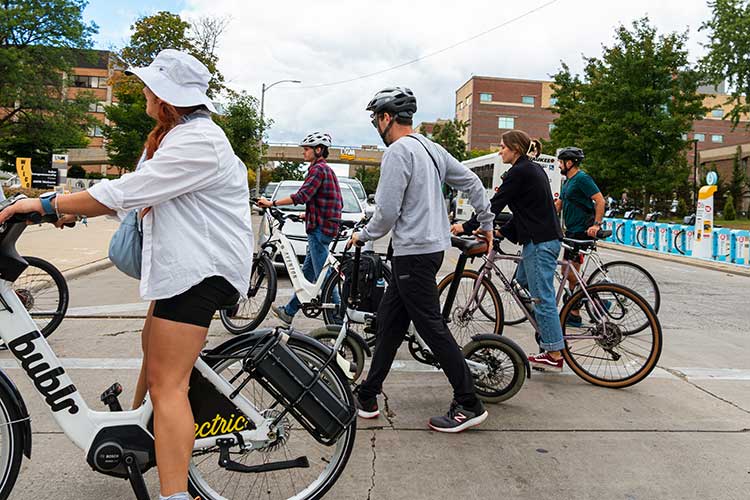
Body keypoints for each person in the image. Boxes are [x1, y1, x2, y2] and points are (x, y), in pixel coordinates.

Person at [0, 49, 253, 500]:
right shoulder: (179, 137)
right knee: (151, 354)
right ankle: (136, 434)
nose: (144, 95)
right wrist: (71, 212)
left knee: (169, 384)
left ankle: (175, 495)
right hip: (186, 269)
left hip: (201, 272)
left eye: (150, 88)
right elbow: (142, 201)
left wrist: (44, 204)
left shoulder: (199, 142)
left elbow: (125, 191)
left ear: (167, 96)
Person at [349, 87, 495, 433]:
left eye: (375, 120)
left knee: (432, 328)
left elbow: (385, 213)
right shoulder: (431, 148)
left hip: (413, 253)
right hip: (422, 251)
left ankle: (468, 402)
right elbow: (473, 182)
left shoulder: (399, 152)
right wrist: (486, 223)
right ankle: (368, 395)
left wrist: (363, 235)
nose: (375, 127)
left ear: (386, 118)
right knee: (389, 324)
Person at [452, 131, 565, 372]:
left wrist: (467, 226)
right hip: (541, 238)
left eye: (503, 147)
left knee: (541, 297)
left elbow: (494, 204)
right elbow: (527, 211)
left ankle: (554, 352)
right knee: (522, 282)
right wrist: (501, 232)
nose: (500, 151)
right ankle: (548, 328)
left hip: (540, 242)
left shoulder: (519, 171)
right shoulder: (531, 169)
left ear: (514, 148)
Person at [258, 132, 343, 324]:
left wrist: (272, 203)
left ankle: (338, 324)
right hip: (321, 225)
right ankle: (289, 311)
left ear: (318, 150)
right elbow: (331, 200)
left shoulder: (318, 170)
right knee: (309, 274)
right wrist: (309, 213)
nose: (304, 152)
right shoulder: (325, 170)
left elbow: (302, 196)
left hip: (320, 230)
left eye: (306, 149)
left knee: (326, 277)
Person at [554, 147, 606, 327]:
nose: (559, 165)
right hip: (571, 231)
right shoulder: (567, 182)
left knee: (568, 271)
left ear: (570, 163)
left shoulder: (582, 179)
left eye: (561, 162)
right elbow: (559, 204)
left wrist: (596, 225)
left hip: (582, 231)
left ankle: (598, 302)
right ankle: (574, 314)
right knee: (570, 272)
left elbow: (600, 201)